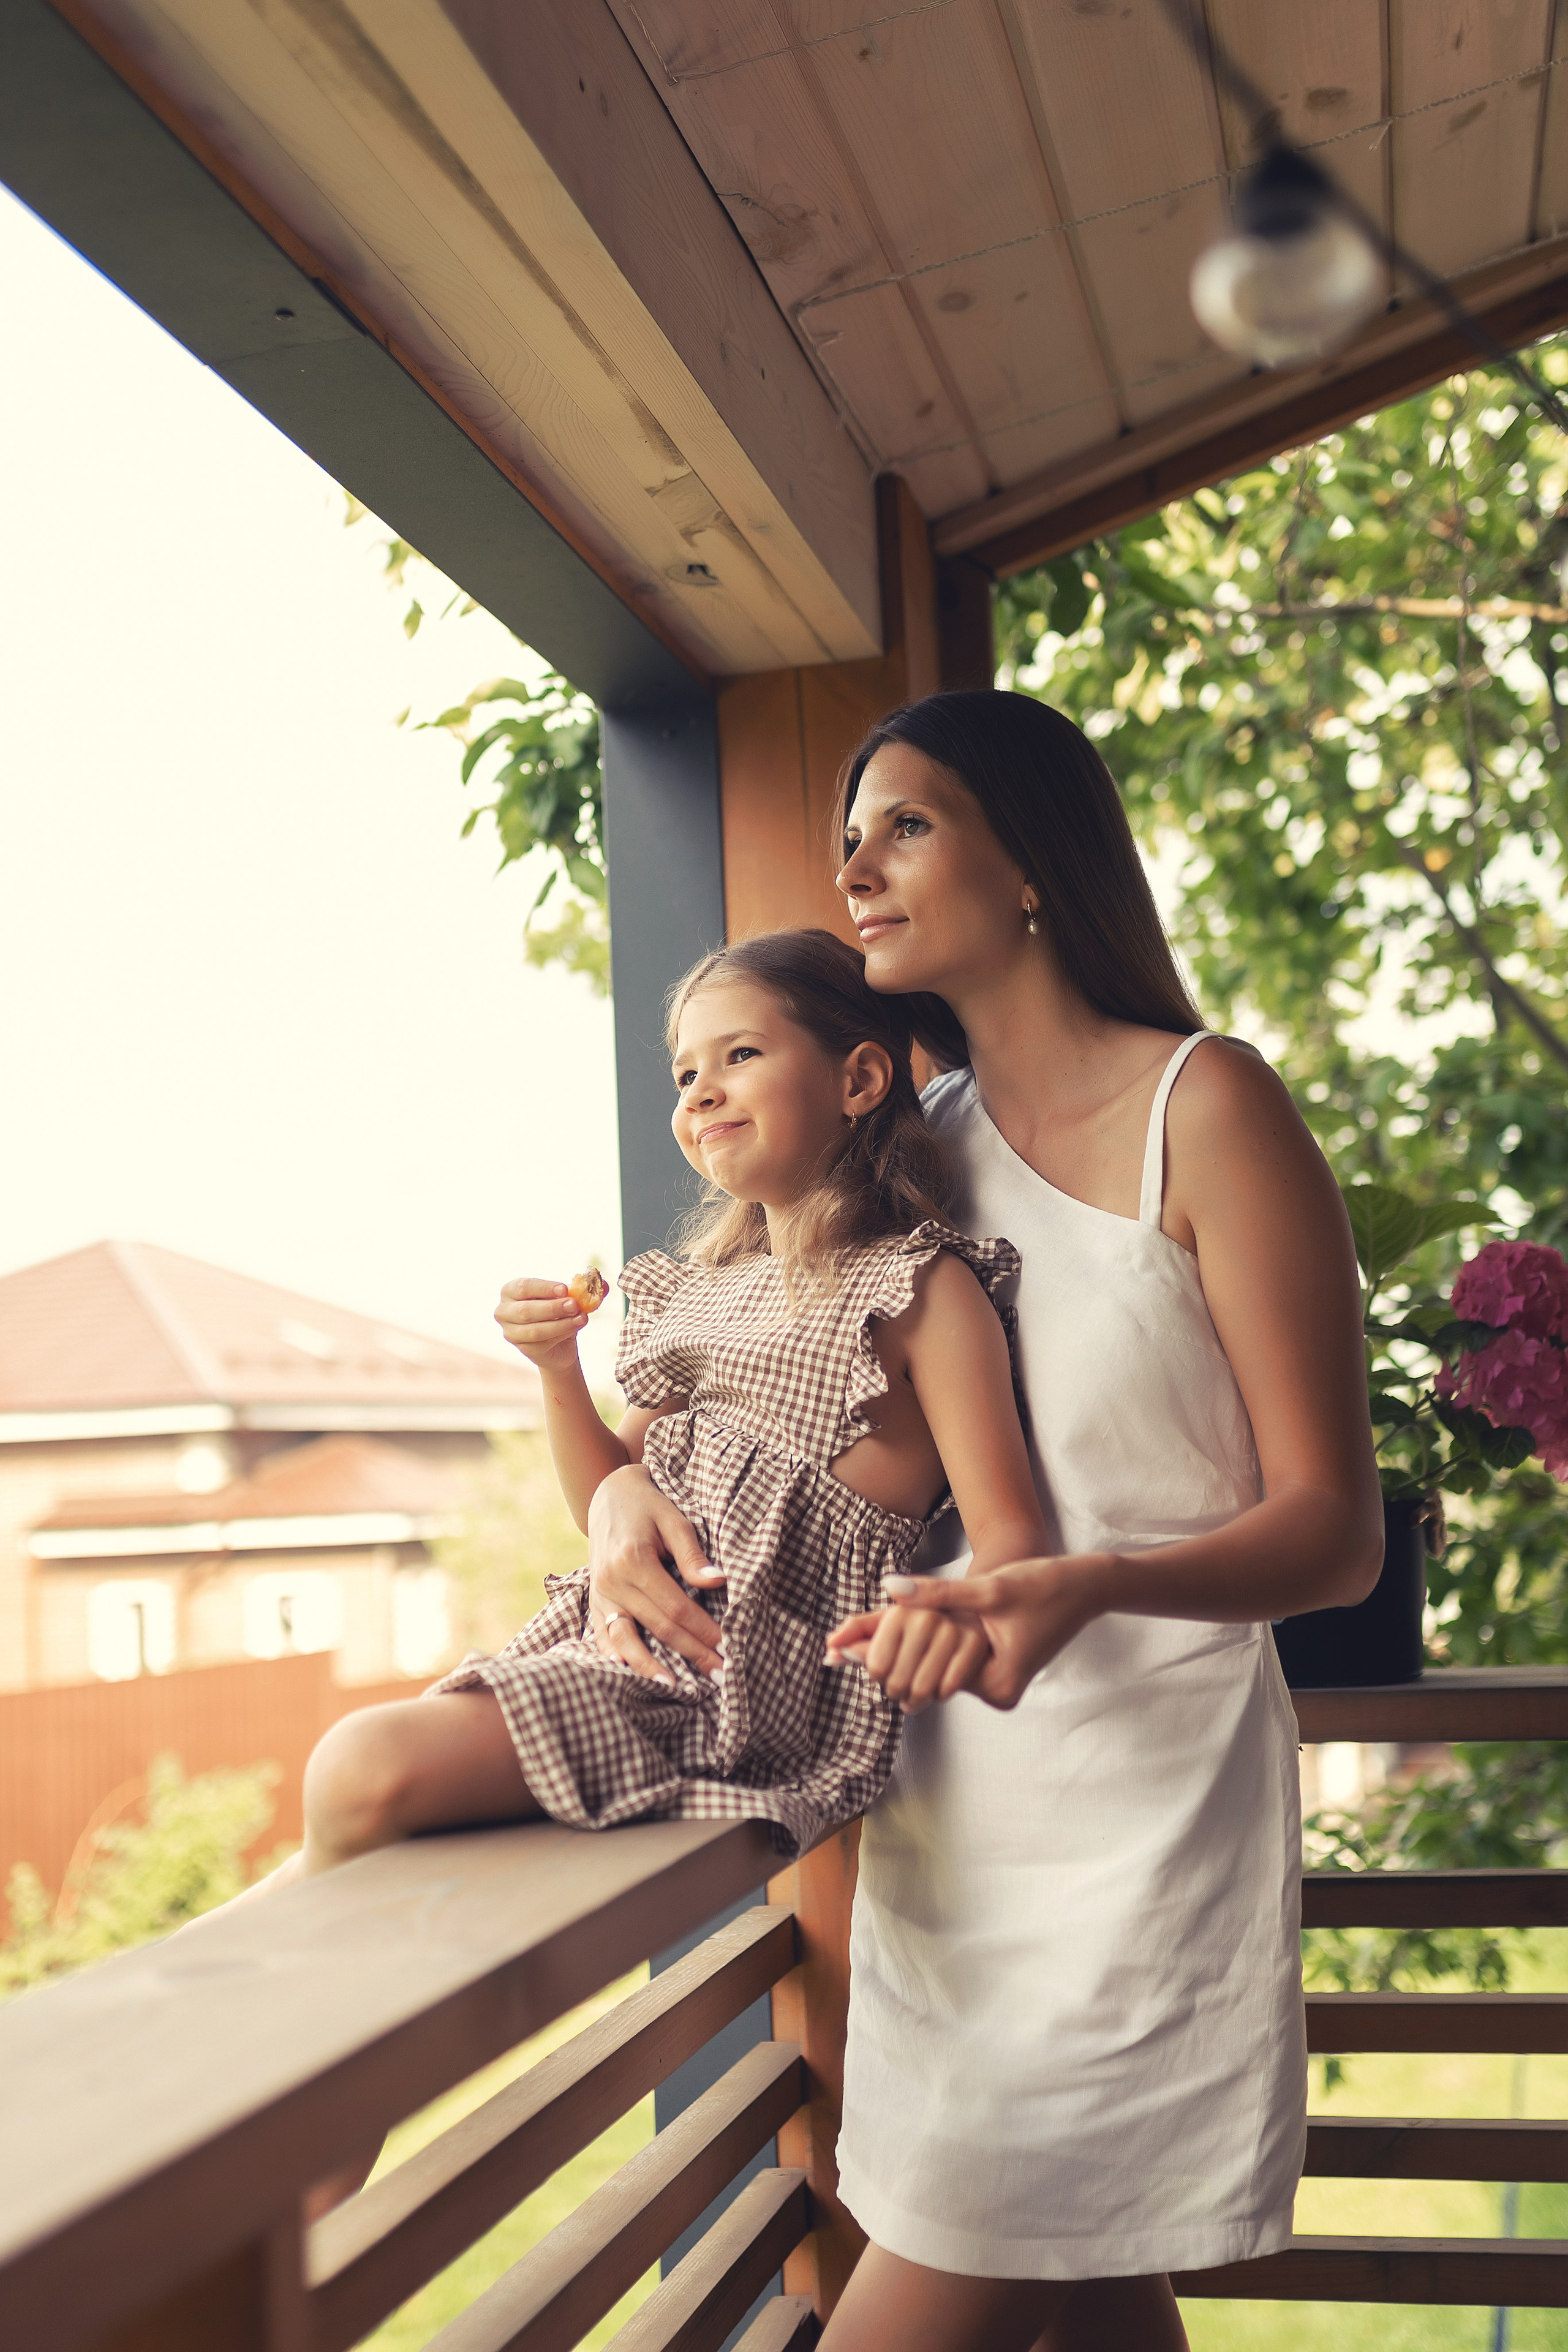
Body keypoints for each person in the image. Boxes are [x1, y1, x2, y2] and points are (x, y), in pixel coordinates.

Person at [582, 692, 1384, 2352]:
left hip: (1144, 1830)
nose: (858, 868)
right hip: (951, 1816)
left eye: (907, 826)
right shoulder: (905, 1153)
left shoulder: (1209, 1108)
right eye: (850, 837)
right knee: (1098, 2313)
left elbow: (1337, 1533)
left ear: (1032, 861)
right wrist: (612, 1500)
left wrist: (1085, 1587)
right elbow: (725, 1399)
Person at [285, 926, 1046, 1882]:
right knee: (349, 1831)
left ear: (858, 1082)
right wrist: (560, 1370)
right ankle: (208, 1990)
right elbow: (611, 1500)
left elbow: (1010, 1533)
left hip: (742, 1675)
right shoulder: (699, 1292)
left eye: (741, 1055)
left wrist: (945, 1617)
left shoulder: (920, 1288)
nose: (702, 1092)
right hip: (622, 1641)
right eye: (686, 1074)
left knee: (360, 1769)